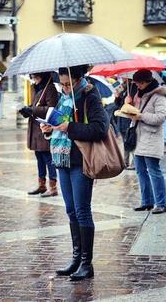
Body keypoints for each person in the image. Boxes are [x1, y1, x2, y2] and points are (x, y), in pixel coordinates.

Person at [40, 65, 109, 281]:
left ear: (80, 79)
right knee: (70, 210)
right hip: (62, 159)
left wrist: (69, 127)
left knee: (82, 210)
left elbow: (100, 128)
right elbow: (59, 123)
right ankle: (76, 258)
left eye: (69, 83)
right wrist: (50, 129)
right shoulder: (63, 98)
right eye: (62, 83)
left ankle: (87, 264)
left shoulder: (90, 96)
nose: (65, 87)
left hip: (80, 160)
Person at [129, 69, 166, 214]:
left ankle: (161, 203)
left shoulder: (160, 96)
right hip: (139, 138)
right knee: (140, 171)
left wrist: (140, 115)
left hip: (152, 138)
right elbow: (136, 114)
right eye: (136, 83)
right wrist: (128, 106)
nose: (137, 86)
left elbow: (161, 117)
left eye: (139, 83)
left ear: (147, 81)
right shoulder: (139, 94)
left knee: (154, 171)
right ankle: (146, 202)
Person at [19, 72, 59, 197]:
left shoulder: (50, 89)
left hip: (44, 129)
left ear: (43, 76)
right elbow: (35, 106)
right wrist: (26, 110)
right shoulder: (39, 89)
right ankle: (42, 185)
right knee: (39, 159)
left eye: (36, 77)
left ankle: (53, 187)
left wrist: (32, 110)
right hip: (36, 130)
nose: (34, 79)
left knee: (48, 158)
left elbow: (51, 109)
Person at [115, 79, 138, 170]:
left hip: (129, 119)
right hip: (121, 118)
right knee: (125, 141)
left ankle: (134, 162)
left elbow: (134, 106)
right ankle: (125, 161)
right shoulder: (124, 87)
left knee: (131, 139)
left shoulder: (134, 88)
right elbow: (117, 104)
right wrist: (117, 97)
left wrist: (129, 102)